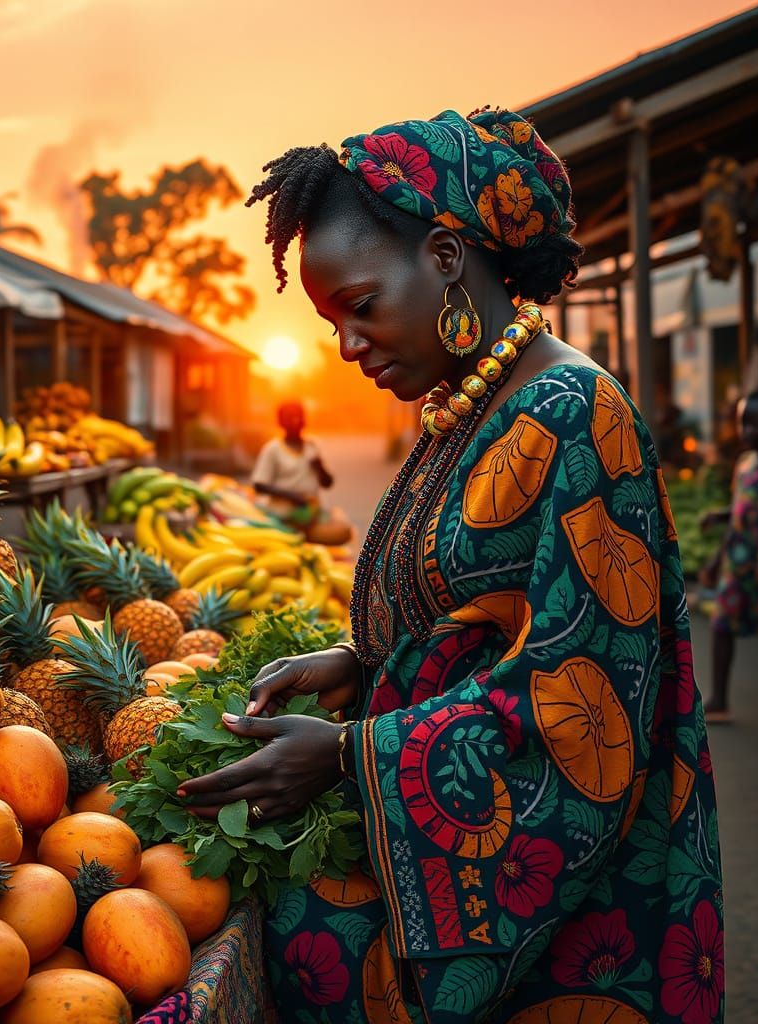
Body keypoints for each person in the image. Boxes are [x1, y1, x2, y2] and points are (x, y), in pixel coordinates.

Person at [178, 109, 723, 1022]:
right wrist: (358, 663)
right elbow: (475, 615)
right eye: (327, 322)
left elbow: (583, 701)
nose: (347, 347)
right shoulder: (471, 409)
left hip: (569, 931)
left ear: (441, 257)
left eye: (360, 306)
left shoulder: (573, 412)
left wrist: (353, 756)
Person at [699, 389, 758, 722]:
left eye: (756, 424)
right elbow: (744, 509)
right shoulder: (745, 463)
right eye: (744, 423)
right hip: (740, 559)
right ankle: (719, 697)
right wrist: (722, 518)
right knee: (722, 624)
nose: (747, 432)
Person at [251, 400, 352, 544]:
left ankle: (303, 538)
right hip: (282, 517)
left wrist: (320, 467)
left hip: (311, 516)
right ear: (280, 422)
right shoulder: (272, 449)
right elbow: (259, 485)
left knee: (344, 531)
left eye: (299, 416)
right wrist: (292, 496)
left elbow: (328, 483)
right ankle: (295, 538)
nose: (296, 421)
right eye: (290, 417)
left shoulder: (312, 446)